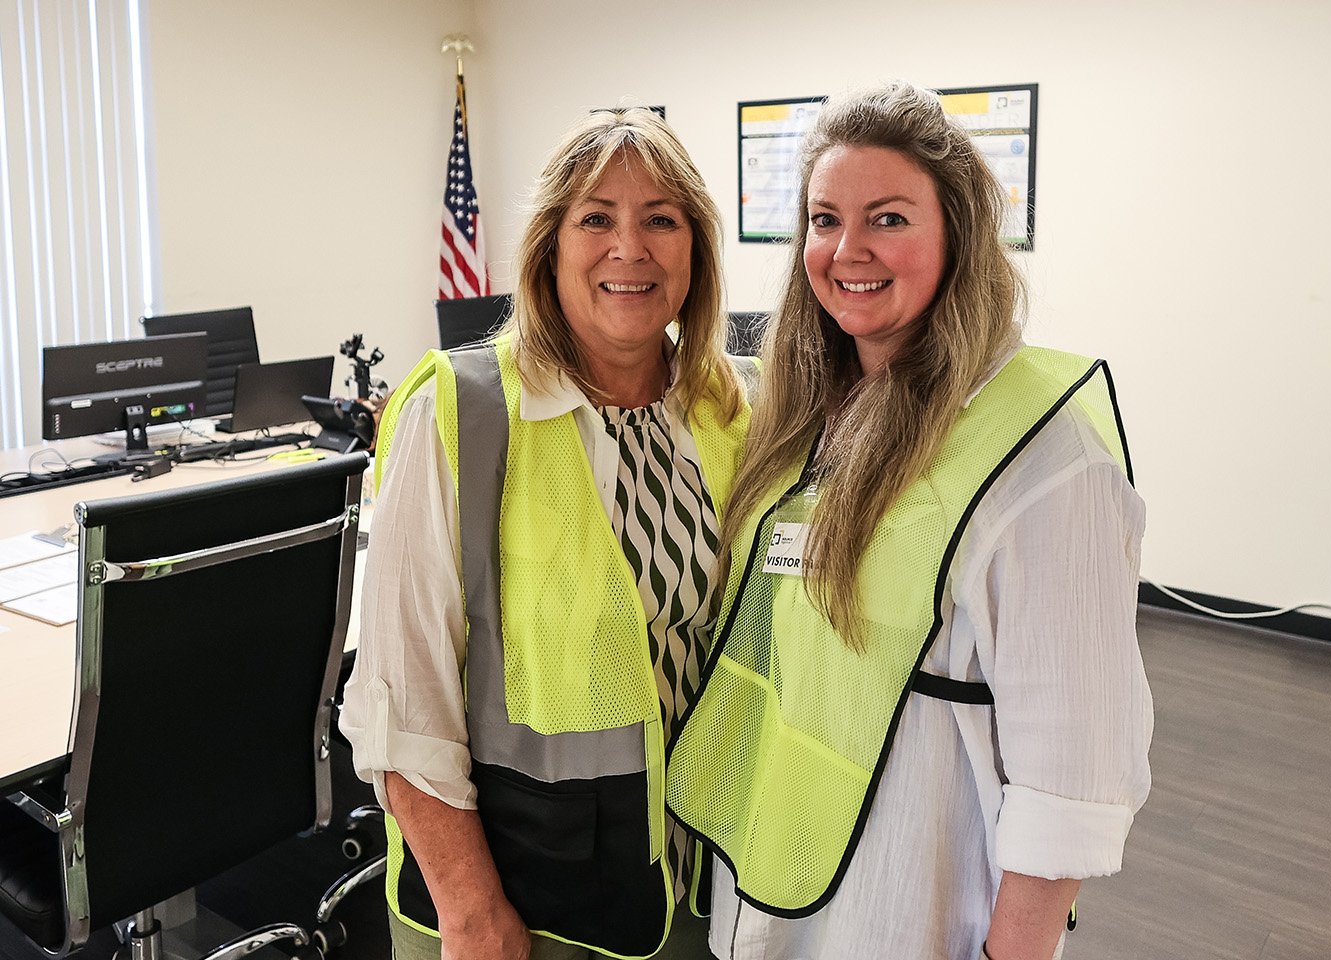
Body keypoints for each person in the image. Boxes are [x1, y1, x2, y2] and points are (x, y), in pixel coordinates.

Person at [666, 81, 1154, 960]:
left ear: (958, 235)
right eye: (823, 219)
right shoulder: (807, 411)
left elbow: (1071, 773)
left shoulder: (1045, 452)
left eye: (888, 218)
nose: (847, 249)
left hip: (910, 911)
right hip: (771, 888)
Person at [340, 107, 753, 960]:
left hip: (698, 885)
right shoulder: (459, 412)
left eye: (661, 220)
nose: (628, 248)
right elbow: (401, 699)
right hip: (524, 907)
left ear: (696, 251)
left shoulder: (727, 407)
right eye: (595, 218)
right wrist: (472, 911)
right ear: (549, 247)